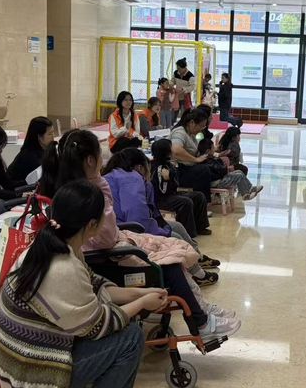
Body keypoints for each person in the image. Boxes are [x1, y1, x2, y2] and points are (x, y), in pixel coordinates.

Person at [0, 179, 166, 388]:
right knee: (131, 337)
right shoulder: (62, 267)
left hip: (18, 359)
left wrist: (138, 292)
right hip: (32, 374)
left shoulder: (52, 245)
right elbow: (97, 327)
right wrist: (142, 303)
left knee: (126, 326)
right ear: (91, 225)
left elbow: (92, 286)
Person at [38, 129, 239, 337]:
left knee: (173, 246)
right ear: (90, 160)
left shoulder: (69, 188)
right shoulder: (91, 194)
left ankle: (201, 310)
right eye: (100, 155)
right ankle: (201, 319)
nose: (103, 160)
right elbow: (106, 237)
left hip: (109, 247)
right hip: (107, 257)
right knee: (171, 260)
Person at [103, 148, 220, 286]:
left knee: (177, 226)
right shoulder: (131, 179)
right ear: (140, 167)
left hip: (126, 225)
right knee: (175, 237)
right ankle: (197, 273)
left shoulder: (115, 176)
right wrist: (162, 231)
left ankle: (197, 258)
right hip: (128, 229)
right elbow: (137, 218)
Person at [170, 109, 263, 202]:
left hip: (197, 167)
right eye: (201, 126)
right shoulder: (179, 132)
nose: (201, 129)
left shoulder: (191, 135)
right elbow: (176, 150)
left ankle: (246, 190)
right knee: (206, 169)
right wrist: (196, 159)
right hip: (182, 171)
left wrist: (214, 156)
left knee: (226, 167)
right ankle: (205, 201)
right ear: (192, 123)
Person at [150, 139, 212, 238]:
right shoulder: (158, 167)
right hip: (161, 199)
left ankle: (200, 227)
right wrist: (166, 180)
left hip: (171, 195)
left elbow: (175, 185)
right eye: (171, 148)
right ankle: (188, 233)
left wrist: (171, 177)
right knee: (185, 202)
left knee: (199, 196)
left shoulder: (168, 164)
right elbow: (162, 190)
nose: (173, 150)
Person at [7, 116, 54, 183]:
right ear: (39, 137)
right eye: (50, 134)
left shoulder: (43, 151)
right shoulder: (31, 157)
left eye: (53, 132)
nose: (53, 137)